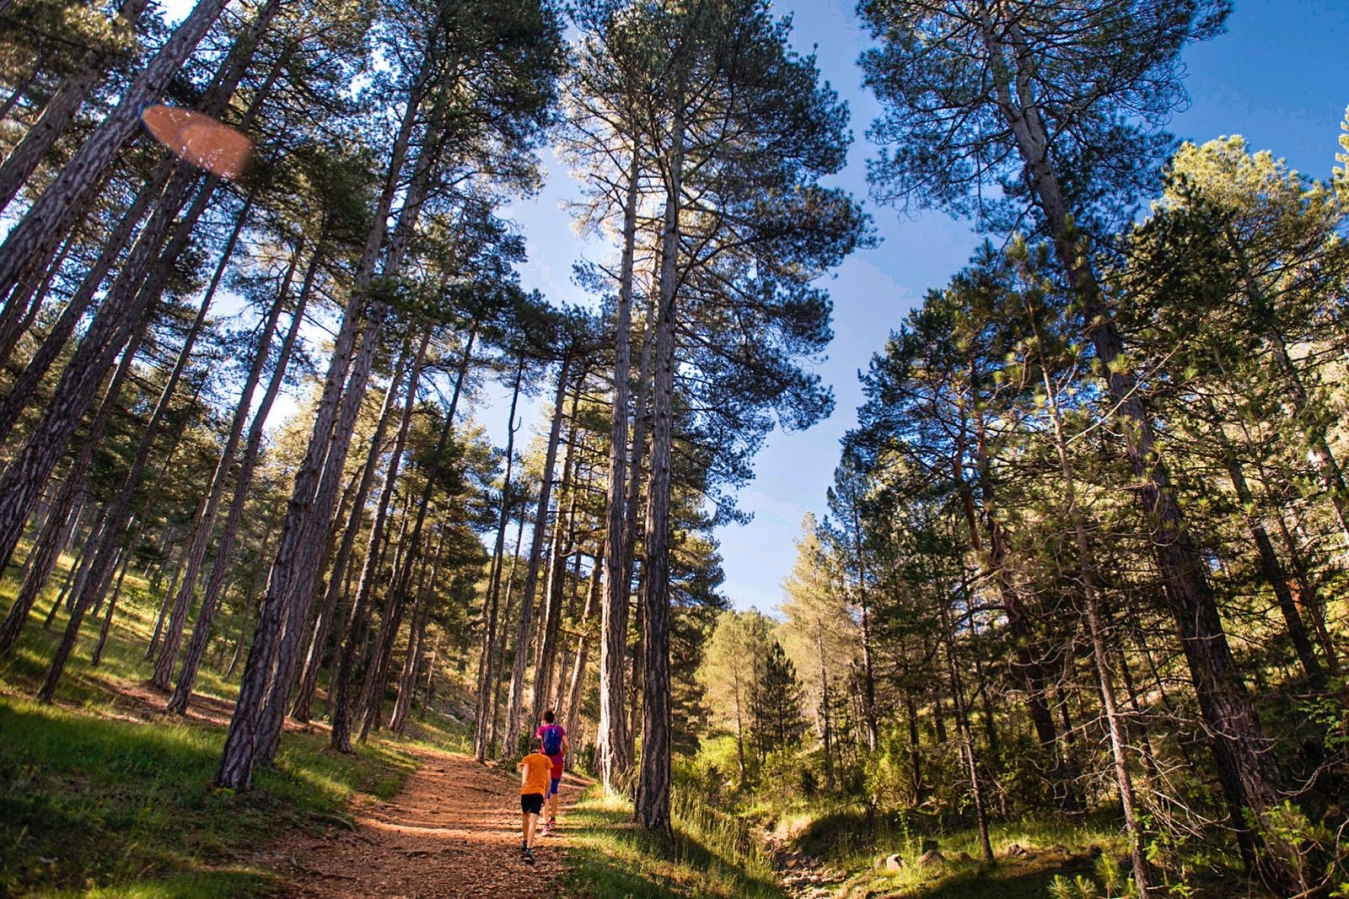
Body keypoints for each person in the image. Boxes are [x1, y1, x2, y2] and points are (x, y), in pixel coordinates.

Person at [516, 735, 552, 864]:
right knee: (533, 820)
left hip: (525, 792)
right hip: (538, 792)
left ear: (530, 748)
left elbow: (524, 771)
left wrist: (524, 782)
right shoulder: (546, 760)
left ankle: (525, 841)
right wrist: (546, 796)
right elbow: (548, 780)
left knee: (525, 816)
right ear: (541, 747)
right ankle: (529, 850)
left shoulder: (527, 759)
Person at [535, 710, 569, 834]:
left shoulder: (541, 730)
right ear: (553, 719)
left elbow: (538, 745)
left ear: (544, 719)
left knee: (545, 792)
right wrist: (562, 754)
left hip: (545, 762)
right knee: (554, 789)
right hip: (558, 762)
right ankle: (553, 819)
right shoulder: (560, 730)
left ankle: (545, 824)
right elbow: (567, 744)